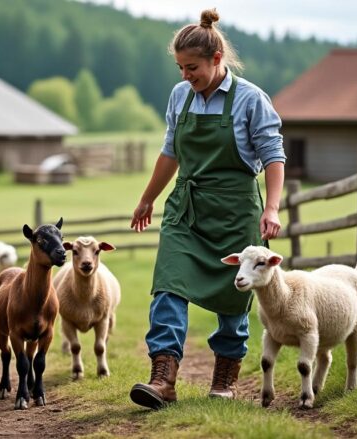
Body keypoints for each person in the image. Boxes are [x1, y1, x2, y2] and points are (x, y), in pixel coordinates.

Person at [128, 8, 285, 410]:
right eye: (180, 67)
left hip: (235, 212)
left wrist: (272, 209)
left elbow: (273, 156)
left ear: (217, 60)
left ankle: (225, 379)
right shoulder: (181, 96)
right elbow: (170, 153)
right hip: (187, 208)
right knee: (168, 284)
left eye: (192, 67)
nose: (185, 76)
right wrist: (148, 197)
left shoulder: (251, 99)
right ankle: (162, 379)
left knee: (234, 299)